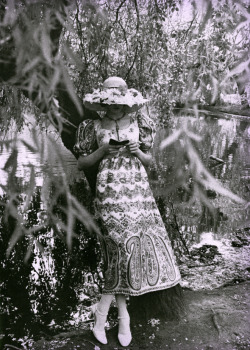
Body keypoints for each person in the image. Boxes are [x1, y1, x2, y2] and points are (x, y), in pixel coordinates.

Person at [74, 77, 181, 347]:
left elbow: (150, 161)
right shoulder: (92, 126)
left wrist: (138, 153)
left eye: (119, 103)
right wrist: (101, 150)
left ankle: (118, 317)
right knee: (121, 249)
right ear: (103, 105)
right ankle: (111, 318)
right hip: (109, 193)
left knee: (124, 255)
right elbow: (81, 163)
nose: (115, 108)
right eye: (110, 104)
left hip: (138, 193)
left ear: (127, 103)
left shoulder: (140, 124)